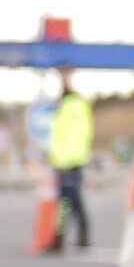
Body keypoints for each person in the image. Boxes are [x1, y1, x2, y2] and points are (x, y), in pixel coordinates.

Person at [45, 87, 97, 250]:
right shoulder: (75, 106)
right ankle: (81, 237)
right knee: (73, 200)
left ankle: (60, 238)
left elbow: (74, 136)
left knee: (66, 201)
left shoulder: (71, 107)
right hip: (70, 161)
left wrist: (64, 161)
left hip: (69, 162)